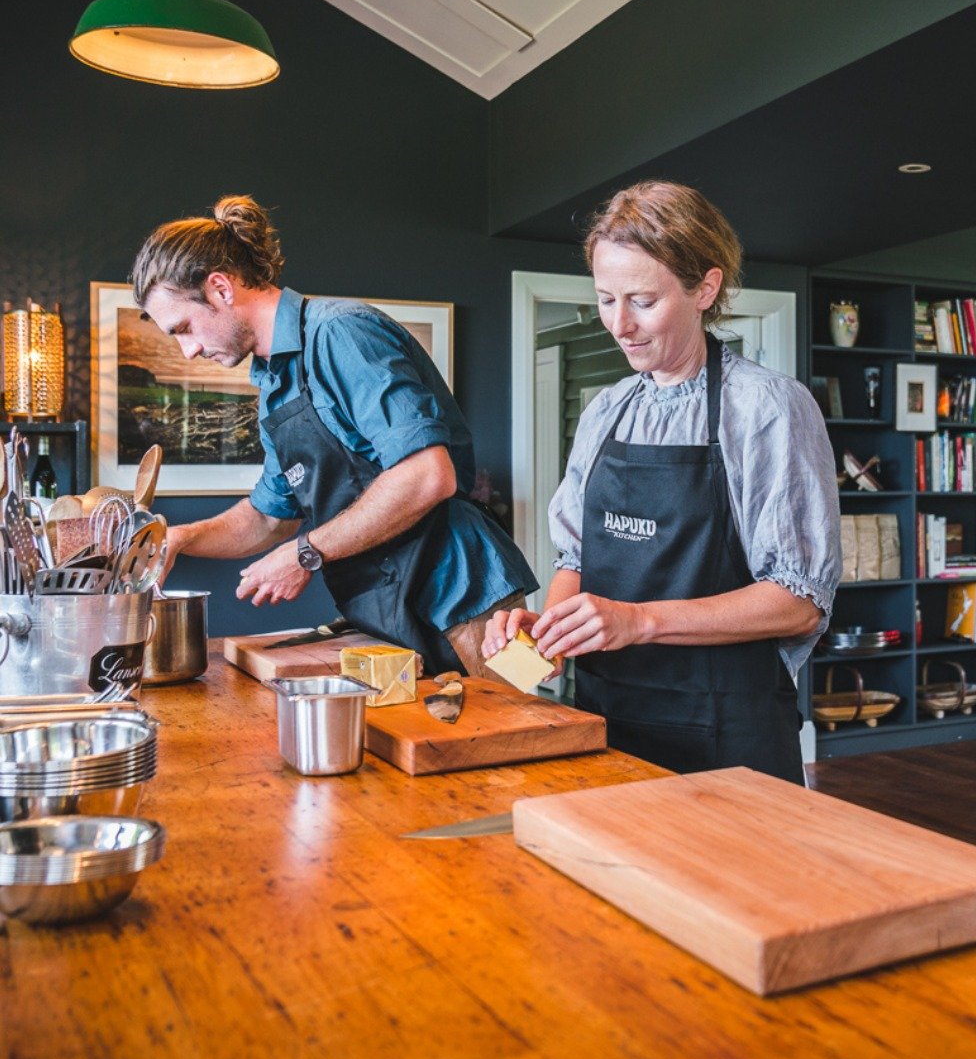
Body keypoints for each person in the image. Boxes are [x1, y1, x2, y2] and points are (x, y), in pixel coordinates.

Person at [483, 181, 841, 782]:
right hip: (605, 719)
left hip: (727, 733)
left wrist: (639, 620)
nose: (619, 325)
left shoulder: (768, 408)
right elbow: (578, 556)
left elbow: (799, 602)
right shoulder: (607, 410)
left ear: (705, 287)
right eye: (604, 299)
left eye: (643, 301)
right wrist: (547, 636)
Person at [131, 195, 537, 676]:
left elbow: (429, 475)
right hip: (387, 605)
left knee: (523, 731)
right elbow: (269, 518)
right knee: (428, 746)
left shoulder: (341, 333)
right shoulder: (273, 383)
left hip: (470, 595)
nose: (188, 350)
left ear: (220, 288)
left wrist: (306, 553)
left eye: (183, 328)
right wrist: (179, 537)